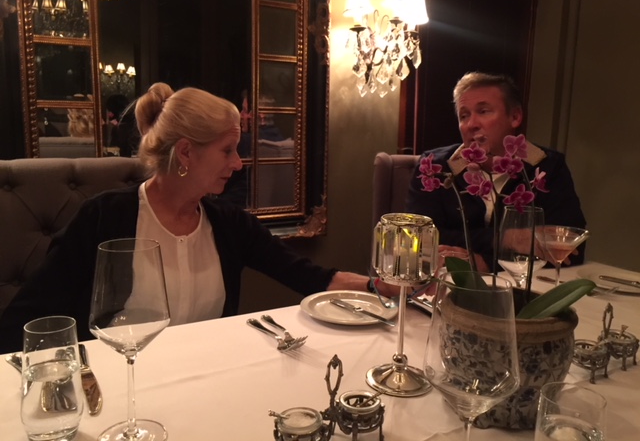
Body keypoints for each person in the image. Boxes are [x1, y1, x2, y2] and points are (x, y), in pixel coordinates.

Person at [0, 83, 371, 353]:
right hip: (118, 386)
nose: (238, 163)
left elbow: (309, 276)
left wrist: (376, 287)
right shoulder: (104, 217)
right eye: (227, 150)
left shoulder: (230, 225)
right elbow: (29, 315)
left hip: (203, 381)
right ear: (186, 153)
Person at [406, 72, 587, 271]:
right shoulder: (434, 167)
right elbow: (418, 238)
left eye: (483, 111)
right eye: (464, 116)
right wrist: (508, 238)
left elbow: (570, 251)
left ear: (515, 117)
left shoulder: (547, 166)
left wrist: (485, 263)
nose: (471, 124)